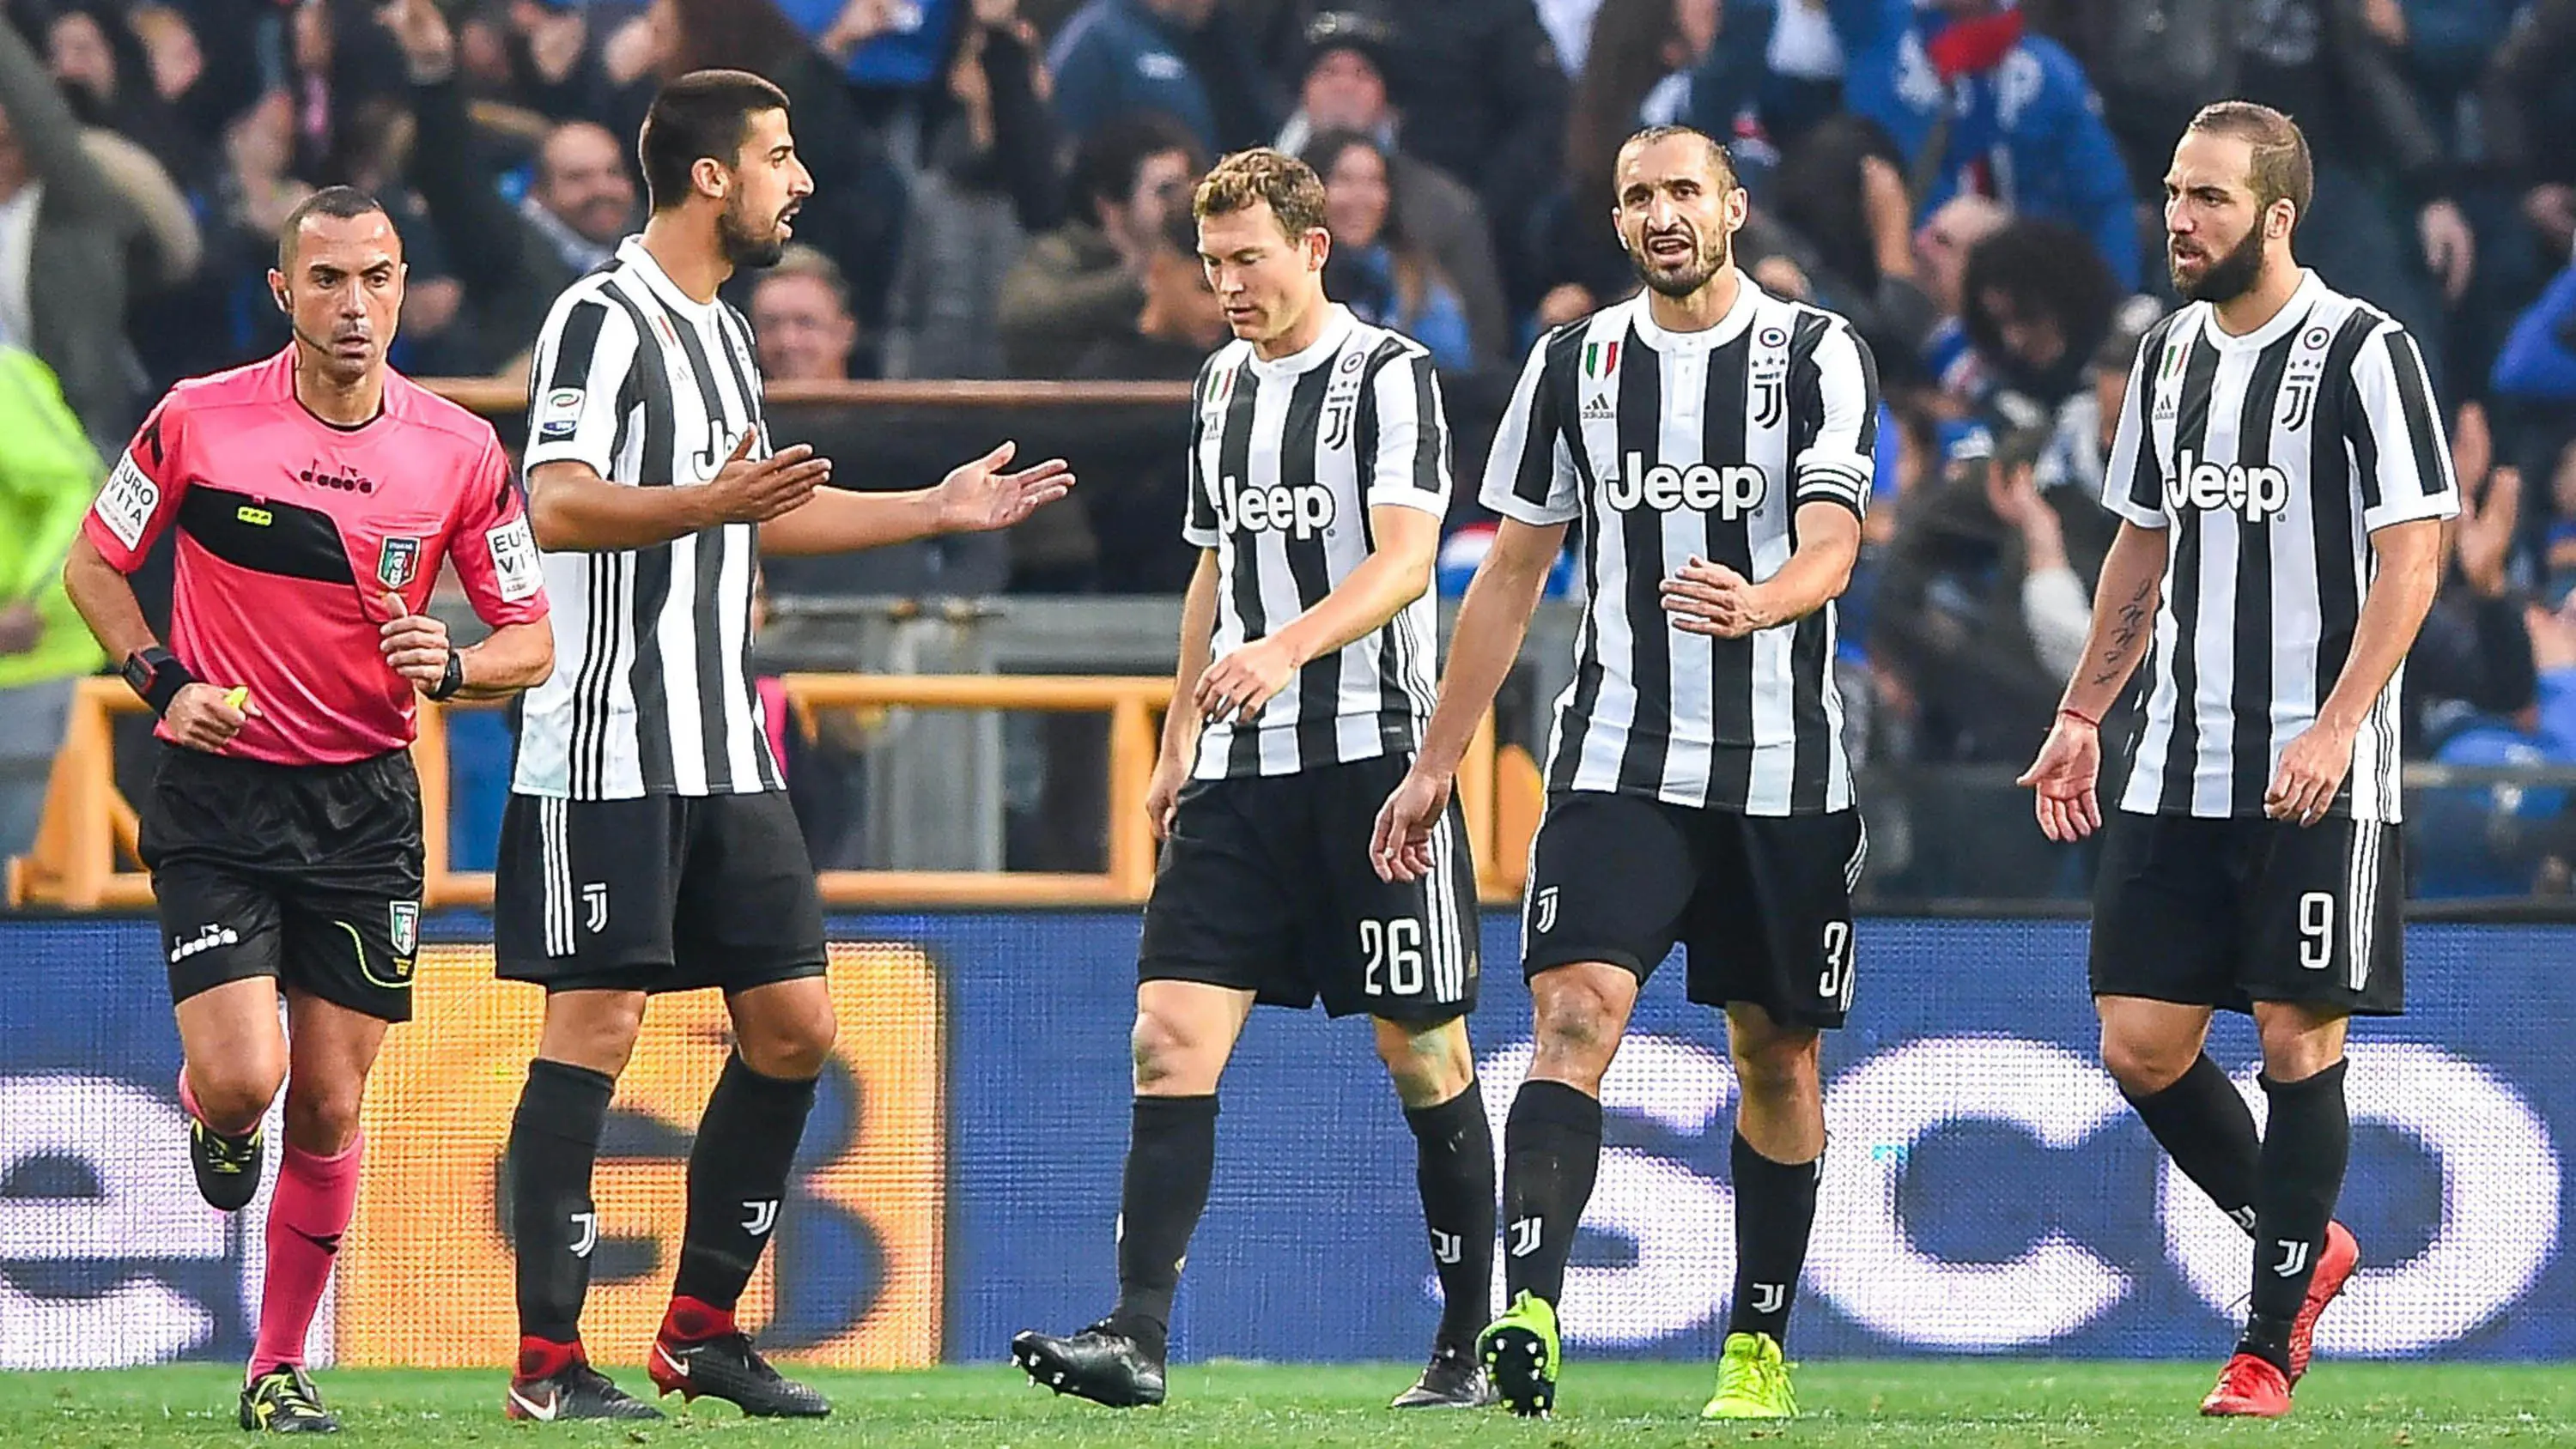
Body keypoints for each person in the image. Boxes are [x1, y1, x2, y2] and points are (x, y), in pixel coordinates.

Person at [492, 68, 1072, 1422]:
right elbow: (558, 503)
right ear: (712, 176)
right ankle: (543, 1363)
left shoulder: (728, 335)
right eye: (780, 156)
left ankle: (699, 1329)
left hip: (723, 744)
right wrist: (709, 498)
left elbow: (758, 516)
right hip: (607, 743)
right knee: (599, 1024)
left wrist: (934, 508)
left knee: (799, 1026)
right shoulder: (602, 316)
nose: (799, 180)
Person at [1376, 124, 1880, 1422]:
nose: (1662, 214)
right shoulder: (1573, 364)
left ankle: (1755, 1345)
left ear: (1733, 207)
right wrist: (1440, 759)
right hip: (1618, 758)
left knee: (1776, 1059)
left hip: (1782, 770)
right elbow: (1511, 573)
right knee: (1574, 1015)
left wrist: (1761, 602)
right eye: (1638, 196)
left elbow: (1833, 544)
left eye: (1683, 193)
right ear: (1616, 222)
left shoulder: (1815, 353)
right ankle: (1529, 1311)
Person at [58, 187, 557, 1432]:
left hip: (367, 805)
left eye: (377, 279)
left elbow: (531, 636)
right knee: (245, 1083)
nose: (354, 305)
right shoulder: (198, 422)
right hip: (222, 795)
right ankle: (213, 1119)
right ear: (283, 292)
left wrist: (458, 663)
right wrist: (164, 685)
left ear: (401, 290)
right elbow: (93, 566)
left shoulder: (459, 452)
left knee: (331, 1104)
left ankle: (275, 1369)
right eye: (327, 280)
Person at [1010, 147, 1492, 1413]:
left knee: (1423, 1051)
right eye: (1213, 263)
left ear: (1313, 249)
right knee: (1167, 1040)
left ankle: (1467, 1338)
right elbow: (1215, 573)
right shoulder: (1219, 384)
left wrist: (1284, 649)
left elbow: (1404, 563)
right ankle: (1138, 1334)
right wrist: (1176, 744)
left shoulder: (1389, 376)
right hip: (1238, 769)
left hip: (1373, 765)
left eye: (1249, 260)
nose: (1228, 285)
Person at [2017, 101, 2458, 1419]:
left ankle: (2266, 1343)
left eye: (2207, 197)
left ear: (2278, 215)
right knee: (2139, 1046)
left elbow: (2415, 555)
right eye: (2171, 193)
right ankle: (2304, 1236)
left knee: (2292, 1032)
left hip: (2319, 770)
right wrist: (2083, 713)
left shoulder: (2366, 352)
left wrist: (2337, 721)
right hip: (2177, 761)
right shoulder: (2163, 358)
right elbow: (2140, 551)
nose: (2178, 217)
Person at [0, 344, 107, 859]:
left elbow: (82, 489)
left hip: (30, 667)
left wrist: (31, 600)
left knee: (24, 891)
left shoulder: (3, 378)